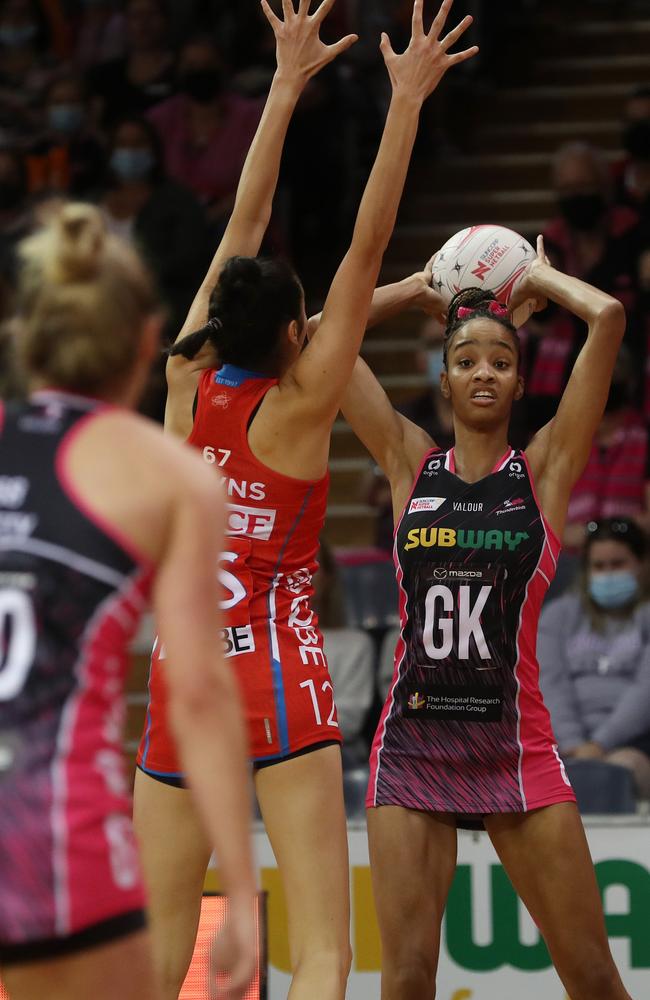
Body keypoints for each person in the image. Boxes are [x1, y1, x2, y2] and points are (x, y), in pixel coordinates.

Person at [133, 2, 478, 998]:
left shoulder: (184, 377)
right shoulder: (300, 406)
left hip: (179, 674)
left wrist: (282, 87)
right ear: (294, 336)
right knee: (324, 944)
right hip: (276, 677)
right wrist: (403, 100)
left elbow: (242, 227)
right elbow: (360, 249)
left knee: (159, 960)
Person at [337, 237, 632, 998]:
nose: (483, 373)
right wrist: (412, 289)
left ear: (519, 382)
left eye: (500, 362)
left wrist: (537, 280)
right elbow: (308, 338)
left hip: (516, 747)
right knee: (404, 980)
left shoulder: (545, 468)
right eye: (467, 360)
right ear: (443, 378)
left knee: (595, 977)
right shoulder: (408, 462)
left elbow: (608, 317)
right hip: (414, 747)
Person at [0, 203, 256, 1000]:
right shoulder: (168, 475)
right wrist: (242, 893)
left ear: (26, 336)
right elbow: (202, 697)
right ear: (149, 341)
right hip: (51, 834)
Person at [539, 517, 650, 801]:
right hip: (564, 744)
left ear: (642, 565)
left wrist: (600, 744)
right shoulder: (558, 615)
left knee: (624, 770)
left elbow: (645, 691)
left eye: (618, 564)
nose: (608, 574)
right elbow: (550, 683)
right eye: (599, 567)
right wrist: (575, 745)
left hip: (634, 743)